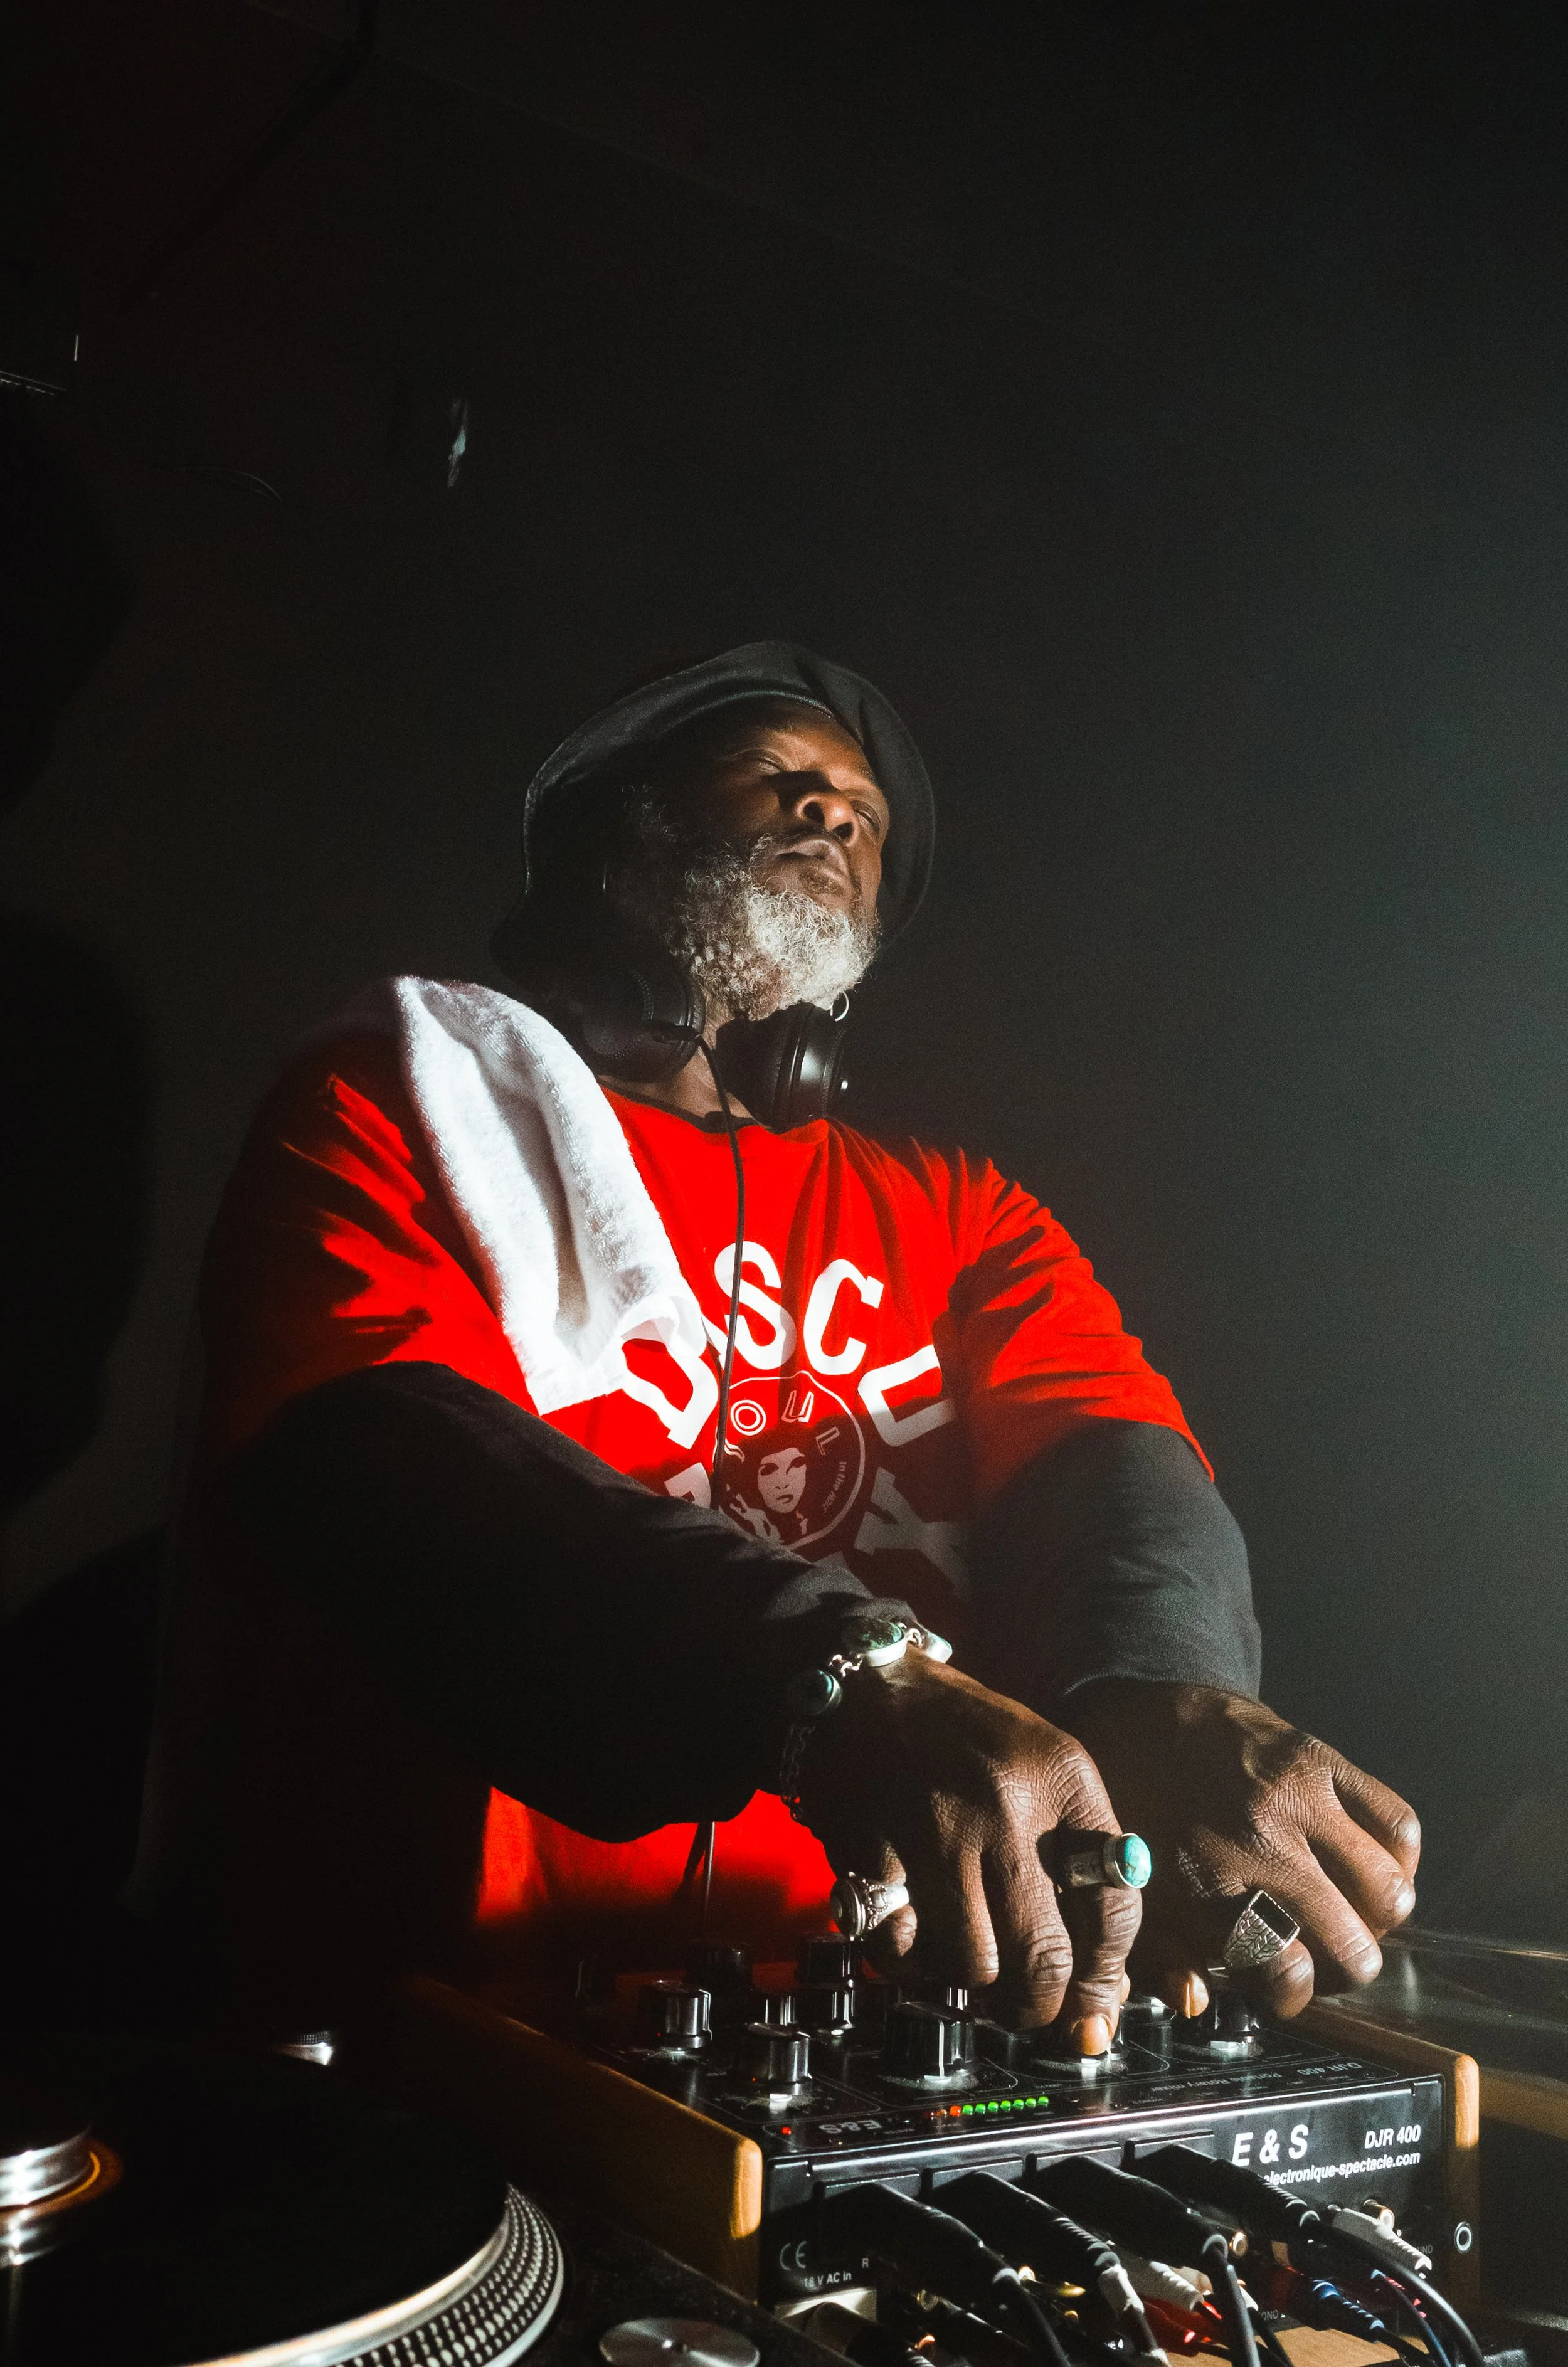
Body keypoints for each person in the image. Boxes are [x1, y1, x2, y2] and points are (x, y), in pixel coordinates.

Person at [134, 642, 1419, 2048]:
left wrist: (1155, 1688)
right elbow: (389, 1462)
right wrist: (844, 1683)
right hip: (465, 2013)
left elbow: (1113, 1469)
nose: (833, 816)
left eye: (861, 815)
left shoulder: (955, 1209)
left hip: (903, 2012)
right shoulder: (399, 1098)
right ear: (617, 831)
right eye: (782, 777)